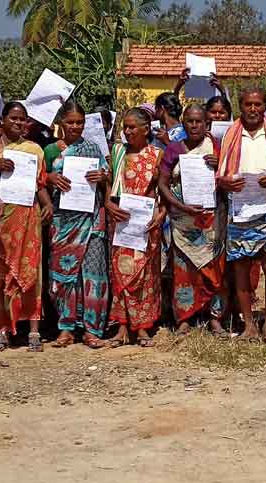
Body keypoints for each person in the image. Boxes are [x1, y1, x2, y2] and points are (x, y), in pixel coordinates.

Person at [216, 86, 266, 341]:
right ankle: (249, 324)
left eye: (258, 104)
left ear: (265, 106)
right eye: (248, 104)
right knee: (240, 265)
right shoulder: (230, 133)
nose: (253, 109)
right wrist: (227, 183)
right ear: (240, 106)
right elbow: (221, 174)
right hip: (240, 209)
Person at [0, 102, 53, 353]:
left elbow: (40, 183)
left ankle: (34, 331)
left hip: (28, 217)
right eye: (13, 118)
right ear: (2, 119)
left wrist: (48, 205)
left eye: (22, 119)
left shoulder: (35, 149)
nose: (18, 123)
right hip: (0, 220)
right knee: (1, 275)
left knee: (31, 271)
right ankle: (3, 332)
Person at [44, 101, 110, 349]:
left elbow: (107, 179)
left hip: (91, 219)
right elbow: (39, 181)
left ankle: (92, 330)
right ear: (60, 123)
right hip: (62, 221)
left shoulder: (93, 148)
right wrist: (50, 178)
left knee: (93, 274)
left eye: (79, 122)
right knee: (64, 275)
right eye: (70, 122)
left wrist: (103, 178)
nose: (75, 126)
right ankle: (66, 328)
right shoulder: (50, 150)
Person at [158, 104, 227, 336]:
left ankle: (214, 317)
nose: (194, 125)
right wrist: (180, 206)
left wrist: (220, 166)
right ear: (183, 123)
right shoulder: (174, 150)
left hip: (210, 222)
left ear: (206, 124)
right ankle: (184, 318)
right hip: (182, 222)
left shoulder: (215, 147)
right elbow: (163, 184)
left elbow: (227, 179)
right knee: (184, 272)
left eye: (199, 121)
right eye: (189, 121)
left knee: (213, 270)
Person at [105, 107, 165, 347]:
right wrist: (108, 203)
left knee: (145, 274)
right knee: (120, 272)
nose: (127, 131)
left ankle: (142, 328)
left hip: (146, 223)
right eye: (125, 127)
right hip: (121, 222)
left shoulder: (157, 155)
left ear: (145, 129)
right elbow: (109, 186)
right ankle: (121, 327)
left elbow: (162, 190)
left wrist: (162, 213)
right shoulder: (117, 152)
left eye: (132, 127)